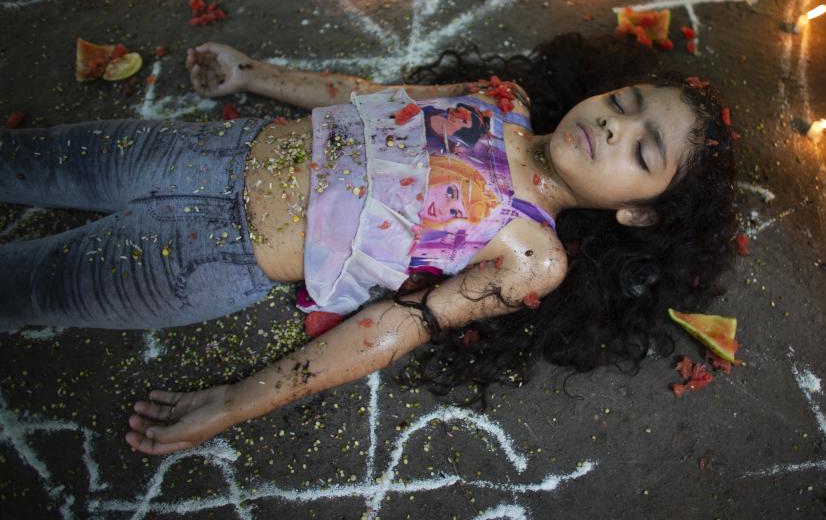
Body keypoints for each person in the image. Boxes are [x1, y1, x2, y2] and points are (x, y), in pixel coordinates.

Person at [0, 33, 736, 455]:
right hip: (207, 149)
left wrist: (235, 401)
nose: (614, 126)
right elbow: (363, 94)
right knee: (23, 158)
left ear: (639, 215)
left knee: (19, 283)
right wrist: (251, 74)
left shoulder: (532, 255)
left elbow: (396, 326)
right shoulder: (501, 101)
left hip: (203, 259)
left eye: (642, 152)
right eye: (626, 104)